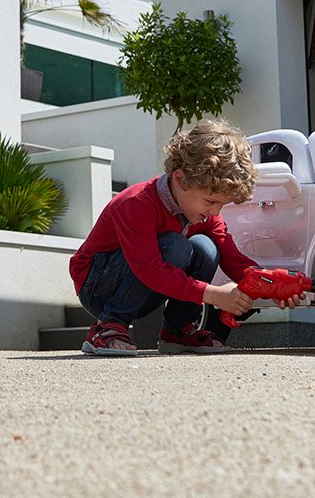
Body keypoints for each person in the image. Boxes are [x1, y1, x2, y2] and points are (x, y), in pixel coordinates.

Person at [69, 117, 293, 355]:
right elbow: (150, 270)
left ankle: (178, 330)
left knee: (207, 247)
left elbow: (232, 257)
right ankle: (108, 326)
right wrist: (215, 295)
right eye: (211, 201)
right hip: (96, 285)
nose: (215, 212)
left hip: (142, 282)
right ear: (180, 179)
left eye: (221, 205)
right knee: (176, 246)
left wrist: (270, 285)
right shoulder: (137, 204)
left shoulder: (203, 213)